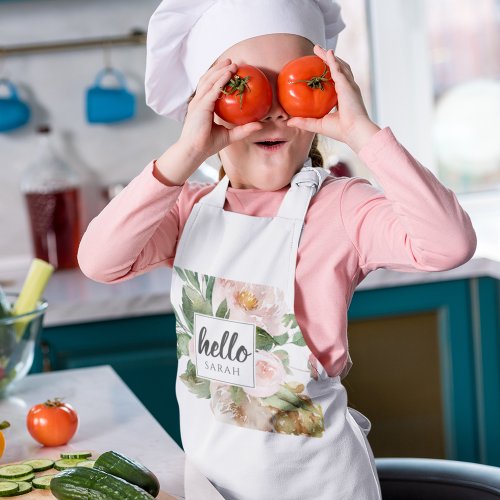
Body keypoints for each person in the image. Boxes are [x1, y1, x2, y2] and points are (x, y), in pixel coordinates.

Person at [78, 1, 477, 498]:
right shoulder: (186, 211)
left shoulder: (341, 208)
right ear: (205, 105)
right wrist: (186, 152)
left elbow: (449, 244)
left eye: (294, 83)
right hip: (212, 485)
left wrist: (362, 133)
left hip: (322, 487)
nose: (269, 110)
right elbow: (98, 261)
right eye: (243, 87)